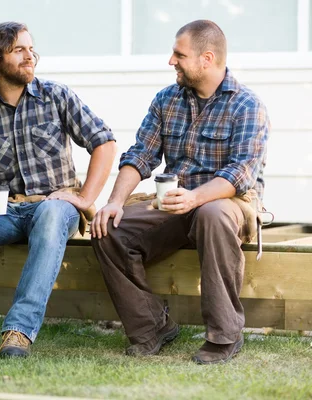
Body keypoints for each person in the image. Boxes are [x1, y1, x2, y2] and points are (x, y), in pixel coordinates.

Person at [91, 20, 269, 364]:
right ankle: (152, 327)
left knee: (211, 213)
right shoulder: (167, 100)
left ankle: (224, 336)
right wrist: (113, 203)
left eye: (179, 54)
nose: (171, 61)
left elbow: (239, 175)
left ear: (207, 58)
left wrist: (195, 198)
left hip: (228, 203)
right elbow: (141, 154)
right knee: (107, 228)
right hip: (174, 203)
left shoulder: (247, 105)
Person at [0, 21, 117, 357]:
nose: (30, 55)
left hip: (55, 206)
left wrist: (84, 198)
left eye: (31, 48)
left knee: (51, 212)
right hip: (5, 211)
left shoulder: (56, 96)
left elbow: (104, 143)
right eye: (19, 49)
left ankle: (20, 328)